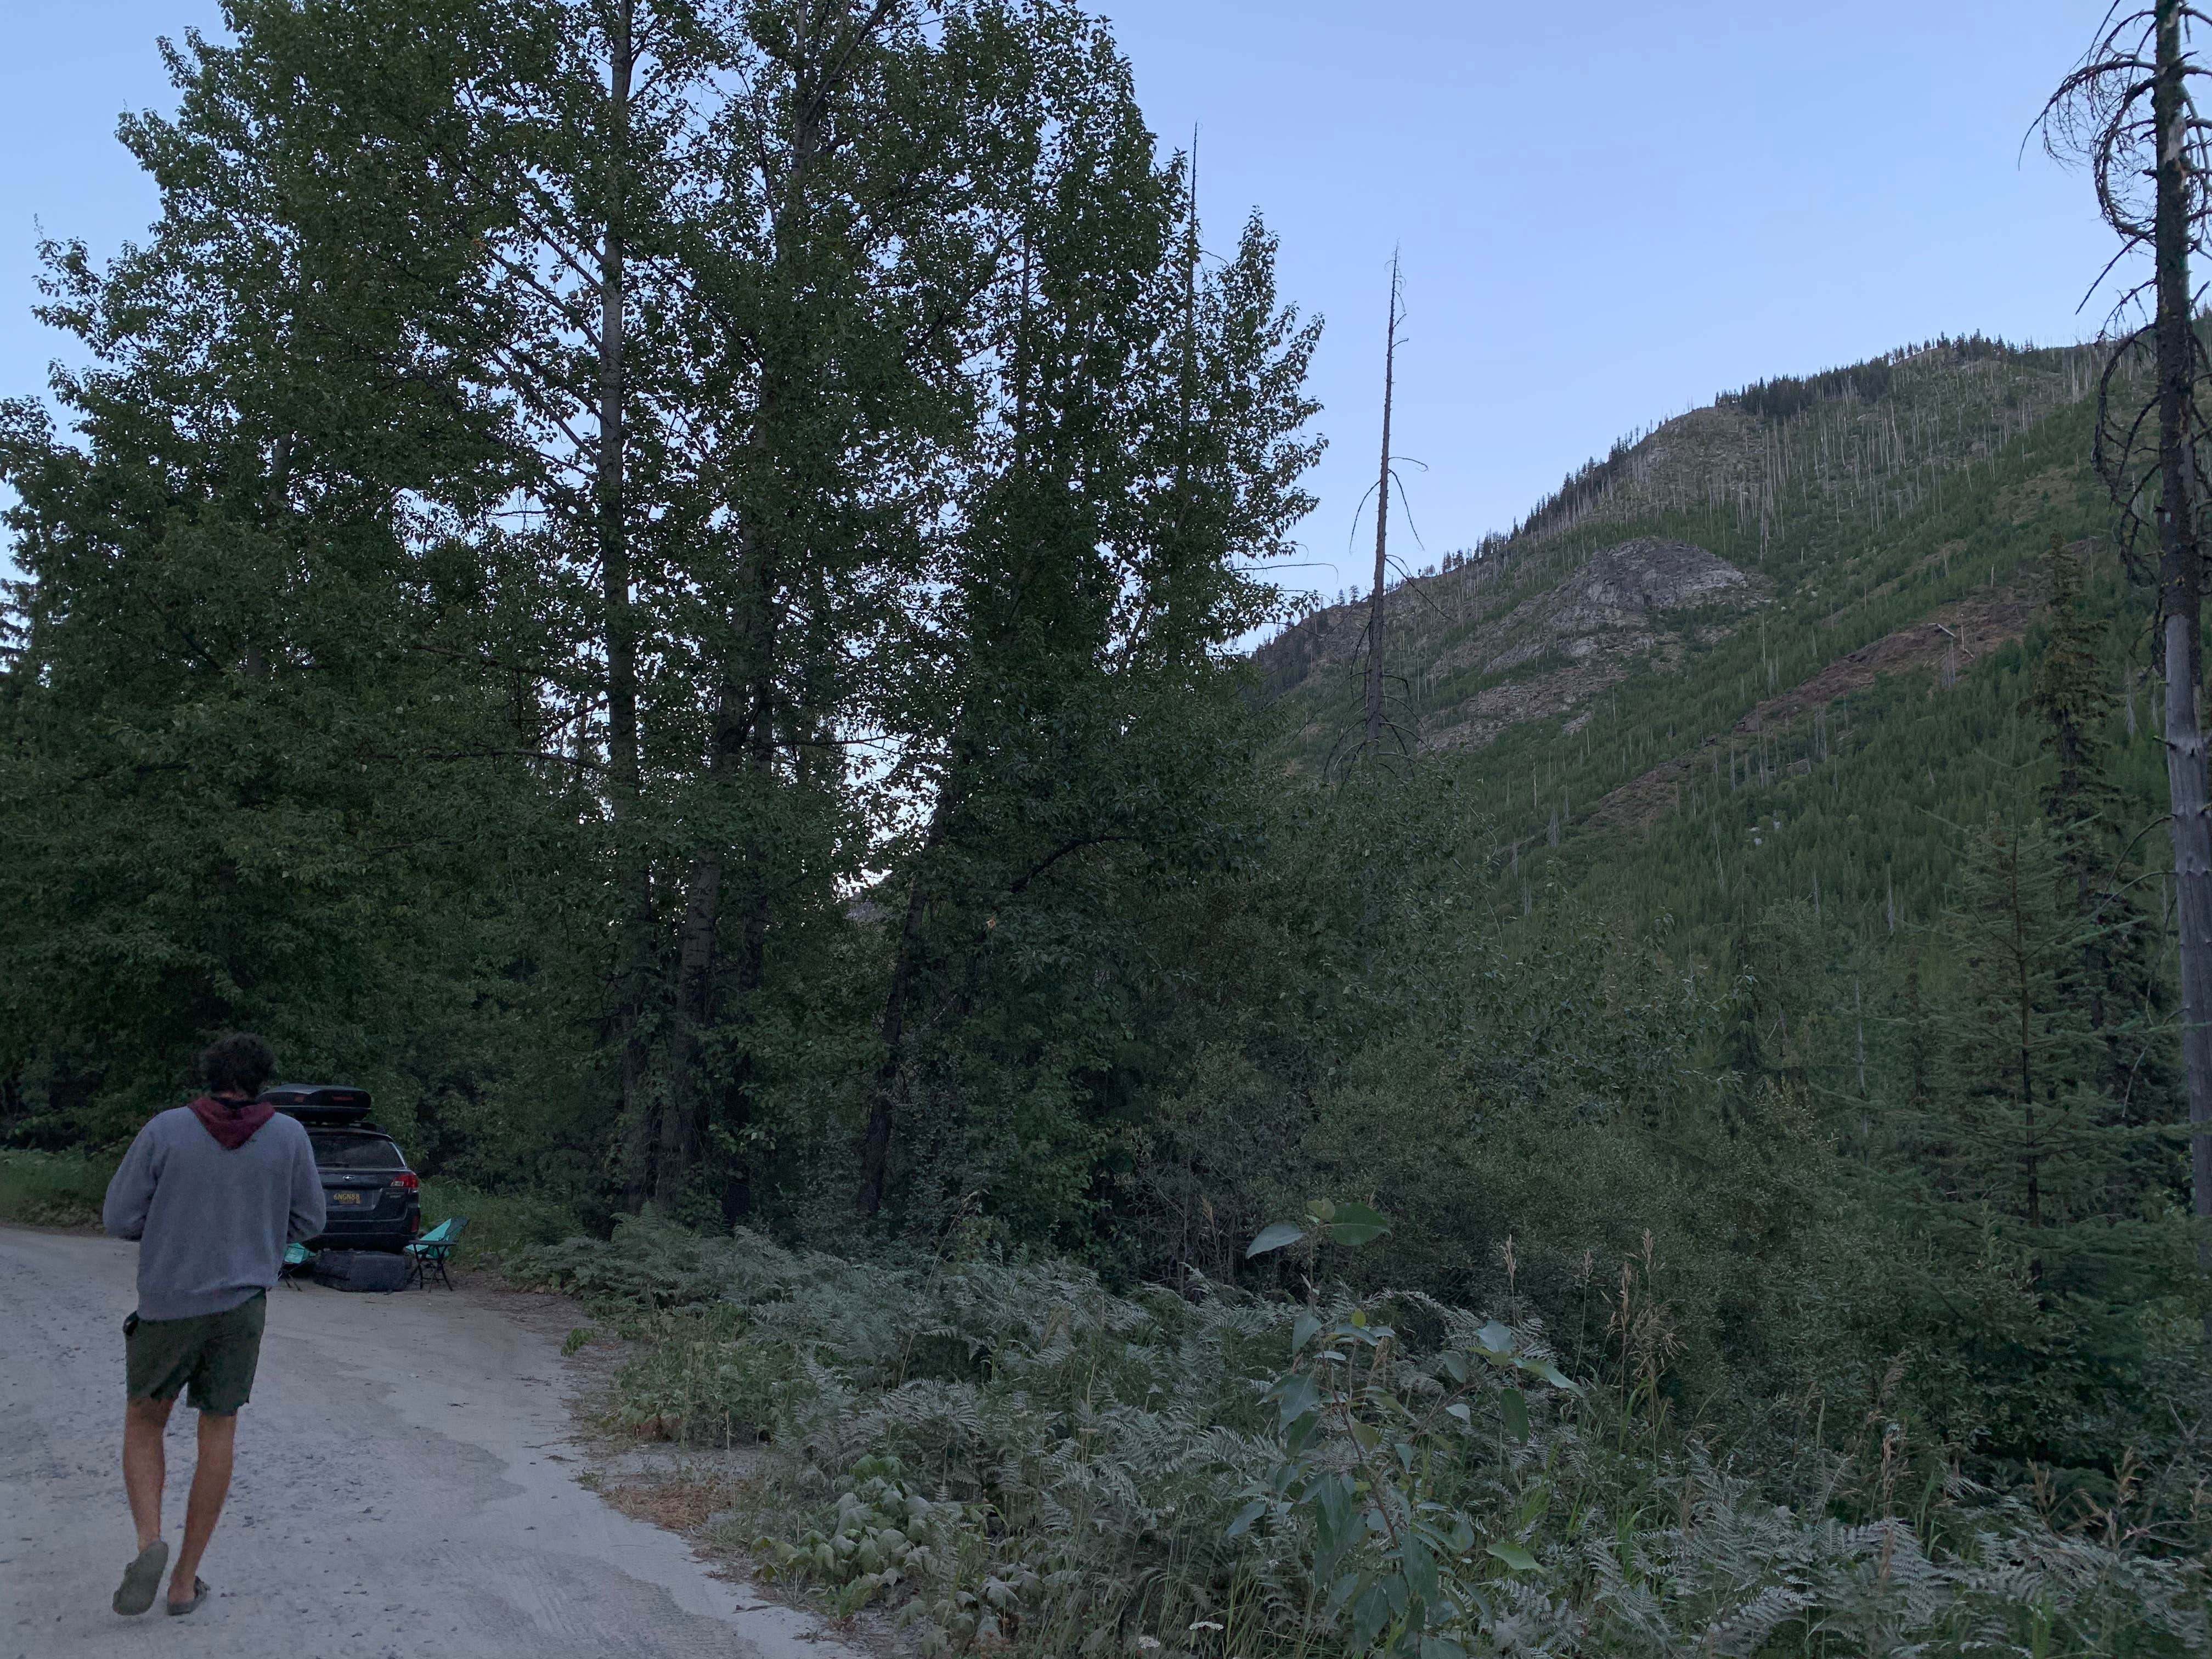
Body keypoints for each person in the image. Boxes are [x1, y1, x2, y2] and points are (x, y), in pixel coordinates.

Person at [100, 1034, 325, 1617]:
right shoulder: (289, 1137)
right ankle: (183, 1583)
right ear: (263, 1078)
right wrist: (262, 1229)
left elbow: (120, 1217)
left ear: (208, 1074)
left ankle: (149, 1544)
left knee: (146, 1419)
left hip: (168, 1302)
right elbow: (310, 1219)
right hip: (241, 1306)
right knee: (217, 1430)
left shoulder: (166, 1129)